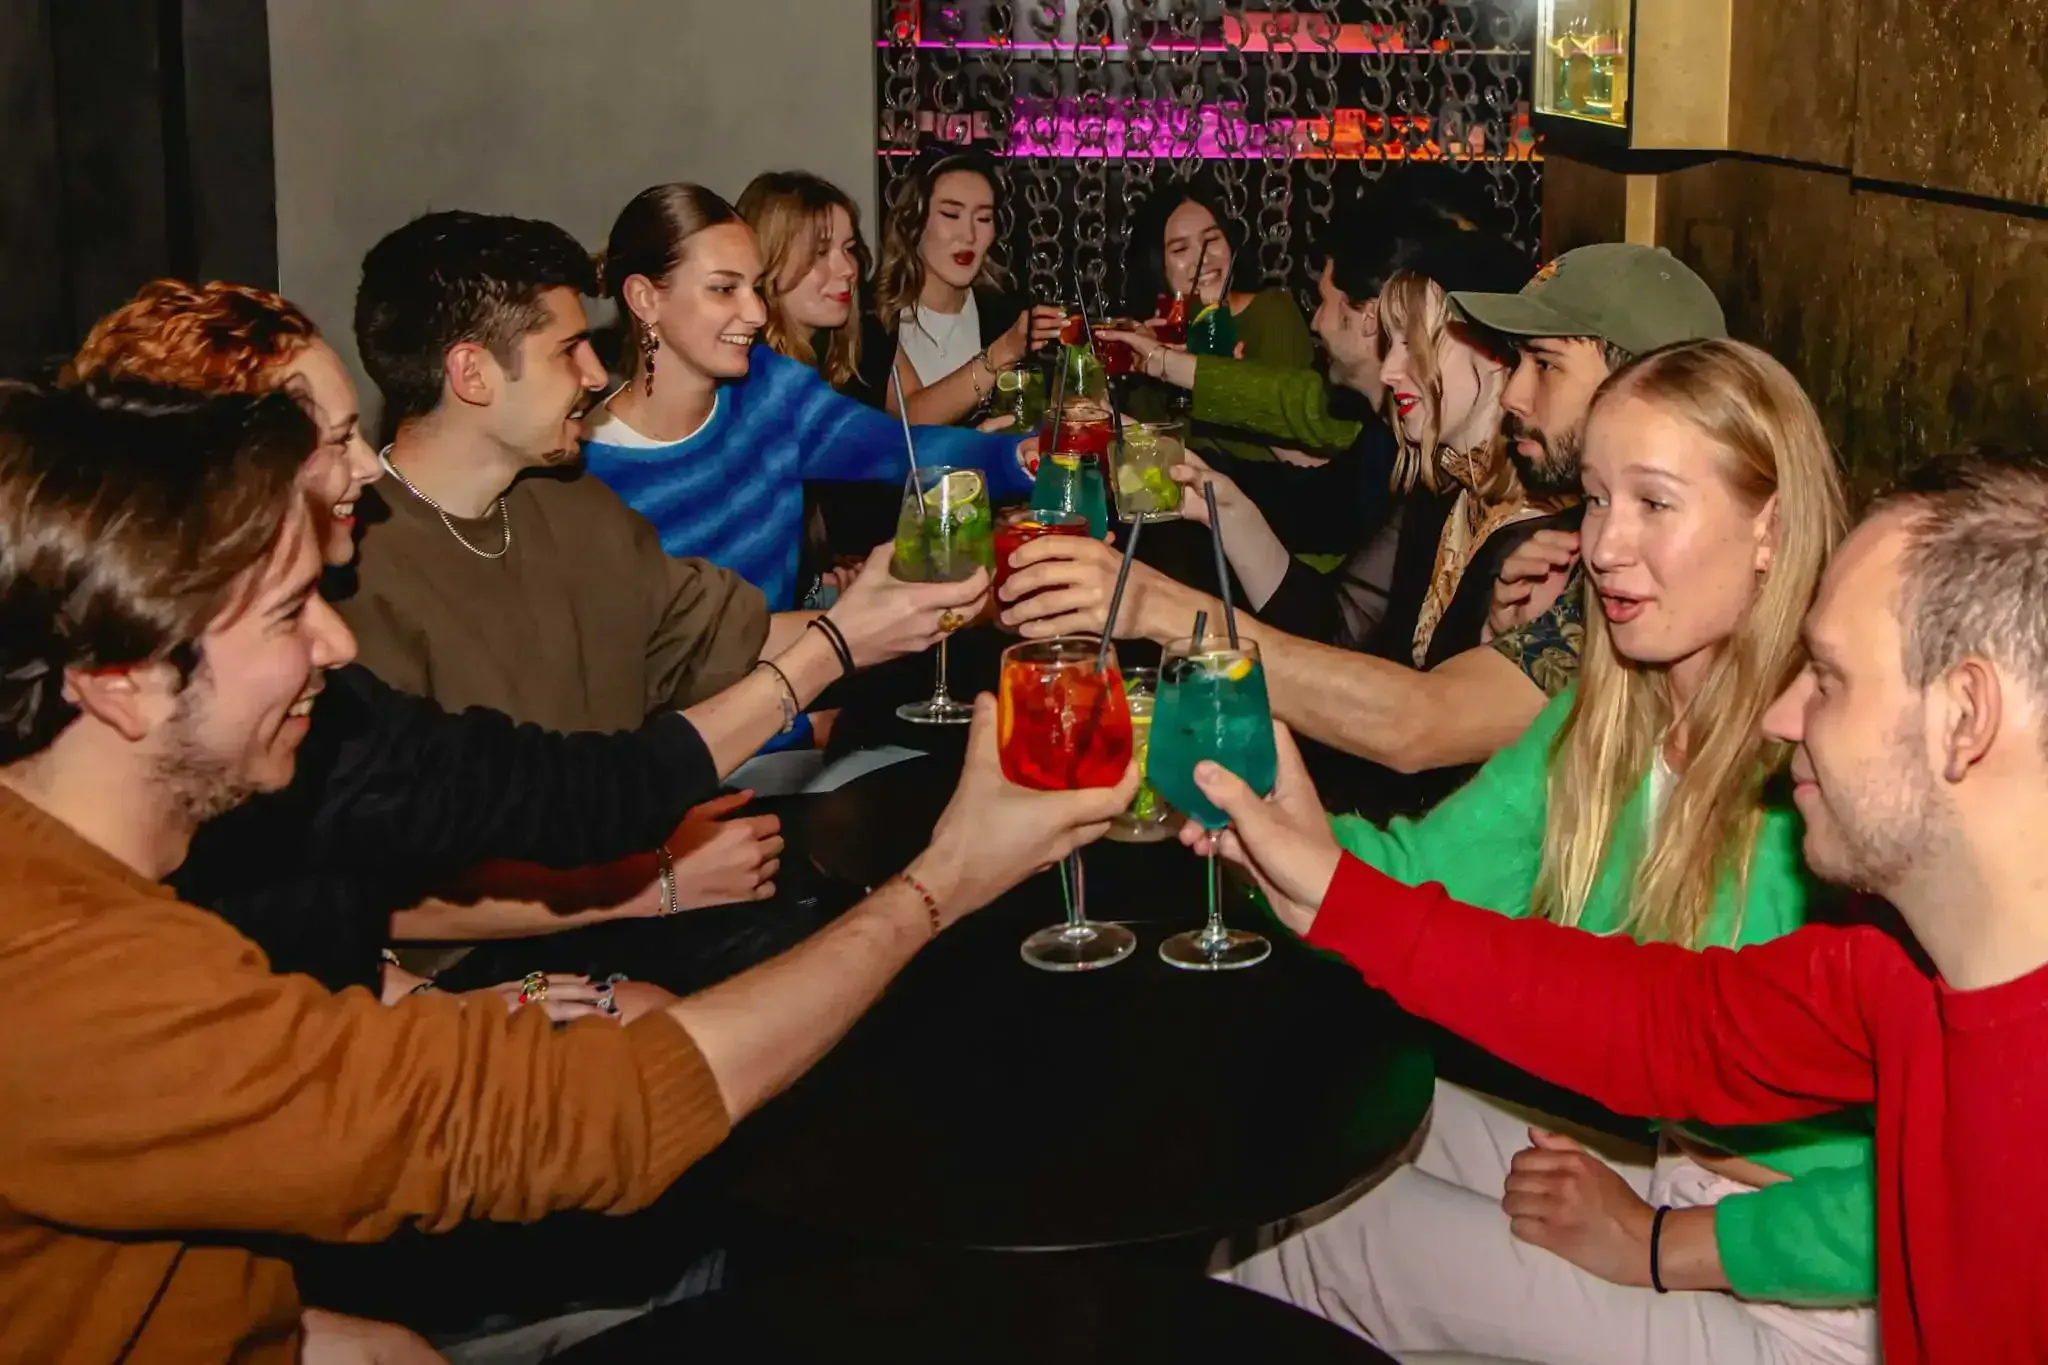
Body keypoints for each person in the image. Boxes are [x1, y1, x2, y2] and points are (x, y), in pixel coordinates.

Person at [0, 377, 1139, 1360]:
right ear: (120, 678)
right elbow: (591, 1116)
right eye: (291, 613)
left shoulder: (105, 879)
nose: (334, 644)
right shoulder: (71, 986)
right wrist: (941, 882)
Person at [1191, 445, 2048, 1365]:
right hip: (1692, 1192)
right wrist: (1337, 893)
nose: (1781, 714)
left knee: (1305, 1242)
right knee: (1302, 1153)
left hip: (1791, 1301)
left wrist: (1659, 1245)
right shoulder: (1899, 971)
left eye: (1830, 679)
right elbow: (1665, 1021)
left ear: (1966, 716)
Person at [68, 279, 977, 1008]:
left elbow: (565, 788)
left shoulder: (565, 507)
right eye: (336, 440)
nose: (360, 467)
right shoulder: (90, 898)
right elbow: (338, 929)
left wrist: (844, 634)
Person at [1008, 243, 1725, 780]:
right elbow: (1343, 633)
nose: (1514, 390)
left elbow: (1418, 725)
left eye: (1543, 362)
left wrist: (1157, 609)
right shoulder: (1466, 502)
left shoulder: (1582, 557)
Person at [581, 184, 1034, 621]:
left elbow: (891, 449)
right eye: (724, 288)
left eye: (756, 287)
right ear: (644, 298)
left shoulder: (768, 390)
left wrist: (1014, 455)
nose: (757, 312)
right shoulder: (590, 476)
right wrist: (844, 630)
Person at [863, 143, 1063, 426]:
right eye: (950, 214)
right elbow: (910, 421)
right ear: (913, 222)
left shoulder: (1005, 315)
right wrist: (1001, 352)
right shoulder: (872, 317)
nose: (969, 235)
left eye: (983, 218)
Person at [734, 170, 869, 392]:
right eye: (820, 252)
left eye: (849, 248)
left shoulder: (840, 352)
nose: (847, 269)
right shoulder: (747, 373)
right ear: (768, 261)